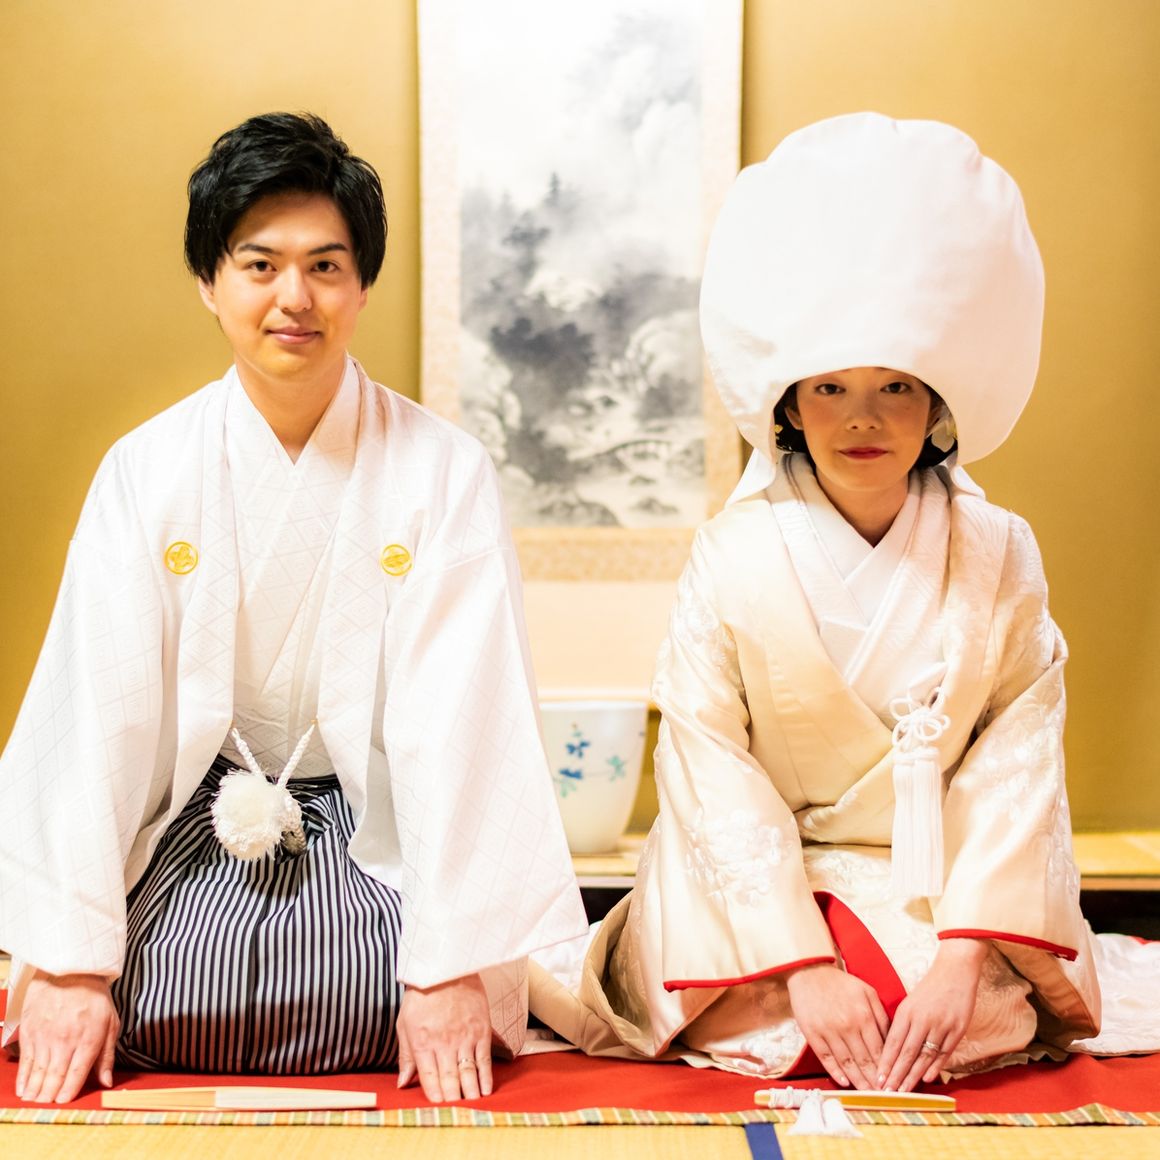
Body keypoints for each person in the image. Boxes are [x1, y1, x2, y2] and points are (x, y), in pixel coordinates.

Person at [529, 112, 1160, 1089]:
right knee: (835, 1015)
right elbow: (707, 763)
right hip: (755, 890)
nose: (862, 418)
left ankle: (911, 985)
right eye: (828, 387)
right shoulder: (731, 555)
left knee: (916, 1010)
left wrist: (962, 958)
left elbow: (1016, 765)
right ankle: (816, 985)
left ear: (937, 403)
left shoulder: (998, 552)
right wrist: (807, 965)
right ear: (787, 403)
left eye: (896, 386)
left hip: (935, 892)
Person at [0, 112, 587, 1105]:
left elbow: (459, 723)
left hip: (374, 826)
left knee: (376, 992)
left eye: (325, 266)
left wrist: (447, 964)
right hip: (196, 817)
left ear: (362, 284)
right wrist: (70, 961)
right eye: (260, 265)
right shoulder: (147, 469)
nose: (294, 298)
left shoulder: (442, 471)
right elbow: (99, 711)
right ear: (209, 280)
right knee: (160, 991)